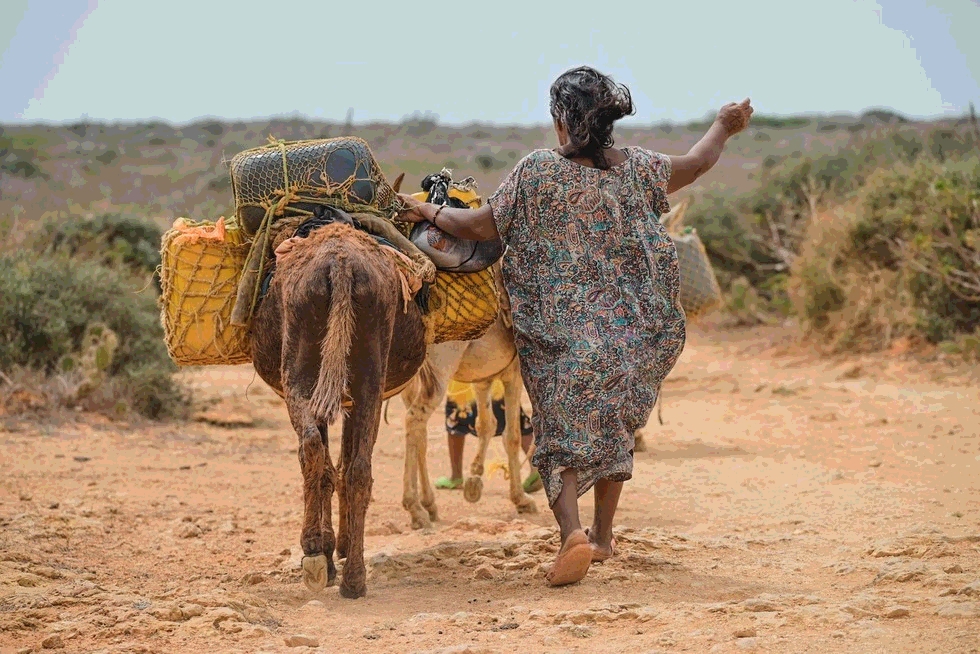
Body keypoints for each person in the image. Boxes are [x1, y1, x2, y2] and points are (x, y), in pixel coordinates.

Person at [397, 65, 753, 587]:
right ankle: (604, 536)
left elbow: (479, 224)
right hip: (632, 334)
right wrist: (724, 123)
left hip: (559, 336)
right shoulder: (639, 167)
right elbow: (697, 163)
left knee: (557, 437)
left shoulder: (537, 169)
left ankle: (571, 535)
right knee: (615, 431)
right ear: (608, 120)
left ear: (562, 120)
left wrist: (423, 209)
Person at [436, 380, 542, 493]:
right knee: (517, 422)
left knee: (455, 421)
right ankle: (537, 466)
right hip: (498, 383)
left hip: (465, 385)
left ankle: (456, 476)